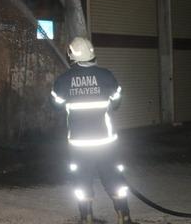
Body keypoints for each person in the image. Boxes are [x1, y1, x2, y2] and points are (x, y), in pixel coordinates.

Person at [51, 37, 136, 224]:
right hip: (105, 141)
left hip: (78, 143)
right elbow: (116, 103)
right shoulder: (106, 76)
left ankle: (86, 218)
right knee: (113, 176)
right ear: (92, 52)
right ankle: (124, 217)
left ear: (71, 55)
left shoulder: (63, 80)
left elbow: (56, 105)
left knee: (81, 179)